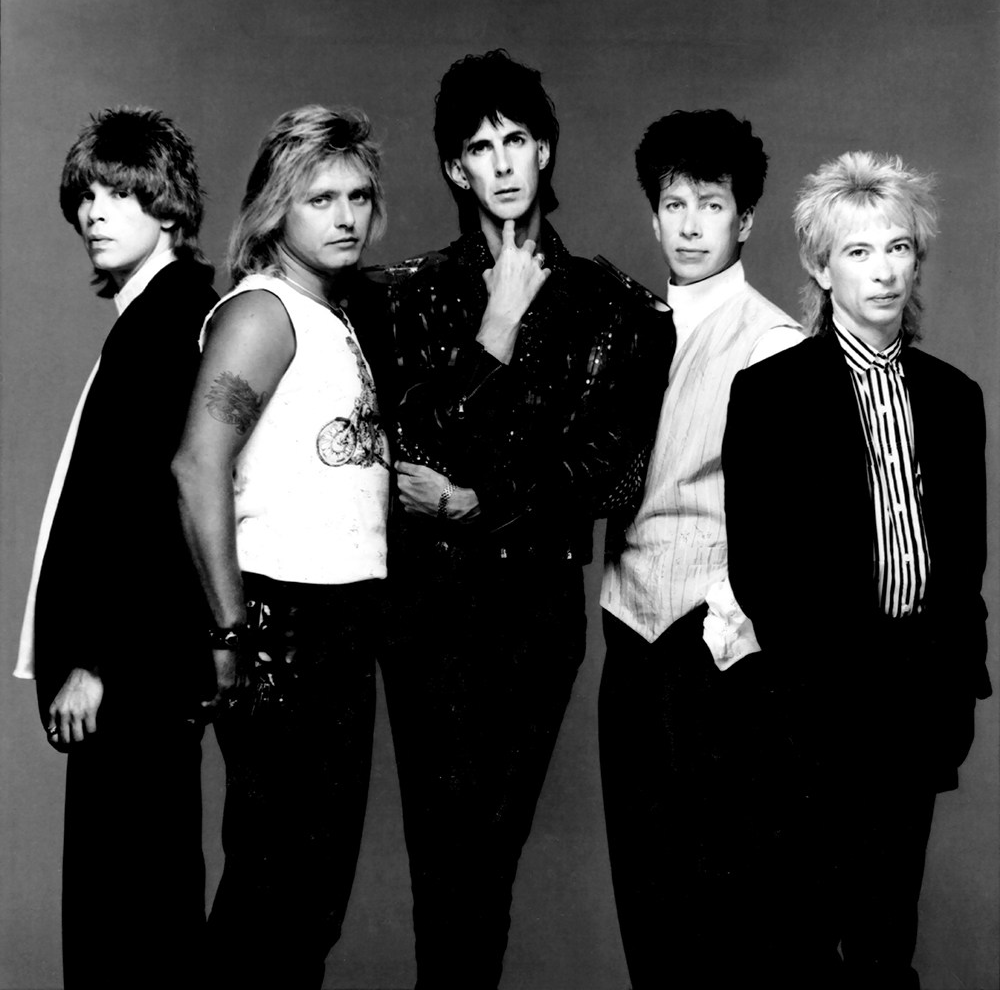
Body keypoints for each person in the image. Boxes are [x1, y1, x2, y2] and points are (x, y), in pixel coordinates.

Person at [381, 49, 671, 988]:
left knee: (487, 863)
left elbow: (606, 476)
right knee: (444, 868)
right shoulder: (404, 296)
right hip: (427, 618)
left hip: (533, 620)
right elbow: (409, 457)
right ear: (454, 168)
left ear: (545, 149)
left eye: (516, 140)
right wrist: (496, 327)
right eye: (479, 147)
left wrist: (477, 501)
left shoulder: (621, 310)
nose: (502, 163)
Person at [723, 151, 991, 989]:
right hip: (816, 706)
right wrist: (809, 696)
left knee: (885, 947)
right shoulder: (770, 393)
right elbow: (759, 570)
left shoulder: (955, 397)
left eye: (899, 248)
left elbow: (965, 565)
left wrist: (957, 688)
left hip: (918, 701)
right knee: (803, 945)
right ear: (820, 267)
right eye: (859, 251)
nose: (884, 270)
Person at [171, 105, 391, 989]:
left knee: (311, 899)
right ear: (276, 209)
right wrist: (233, 632)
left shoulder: (330, 314)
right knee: (275, 891)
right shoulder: (265, 312)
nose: (345, 217)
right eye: (320, 199)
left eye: (358, 196)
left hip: (340, 622)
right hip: (281, 623)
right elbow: (197, 464)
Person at [599, 109, 804, 987]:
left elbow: (796, 527)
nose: (689, 225)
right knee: (646, 900)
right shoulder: (628, 331)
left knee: (722, 907)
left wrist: (729, 626)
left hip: (714, 649)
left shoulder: (775, 343)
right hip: (627, 636)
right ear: (653, 216)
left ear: (744, 219)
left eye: (710, 205)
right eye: (673, 204)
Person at [14, 107, 218, 988]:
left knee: (131, 920)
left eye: (119, 194)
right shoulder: (148, 318)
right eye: (85, 196)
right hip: (132, 678)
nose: (93, 212)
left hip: (132, 679)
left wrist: (99, 661)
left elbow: (161, 512)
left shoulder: (172, 323)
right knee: (131, 912)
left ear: (167, 207)